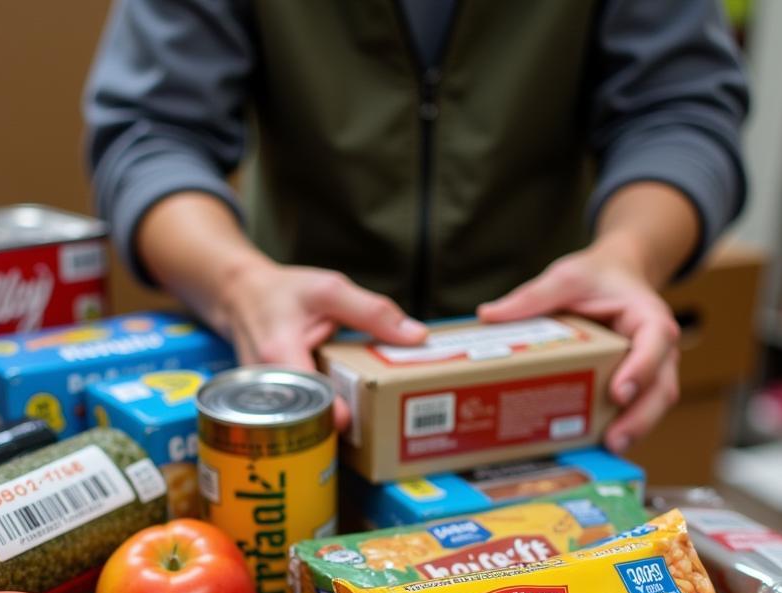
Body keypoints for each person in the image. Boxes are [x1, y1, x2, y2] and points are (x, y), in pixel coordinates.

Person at [84, 1, 748, 451]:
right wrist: (238, 285)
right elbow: (151, 130)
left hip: (543, 381)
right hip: (306, 370)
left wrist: (631, 255)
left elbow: (680, 112)